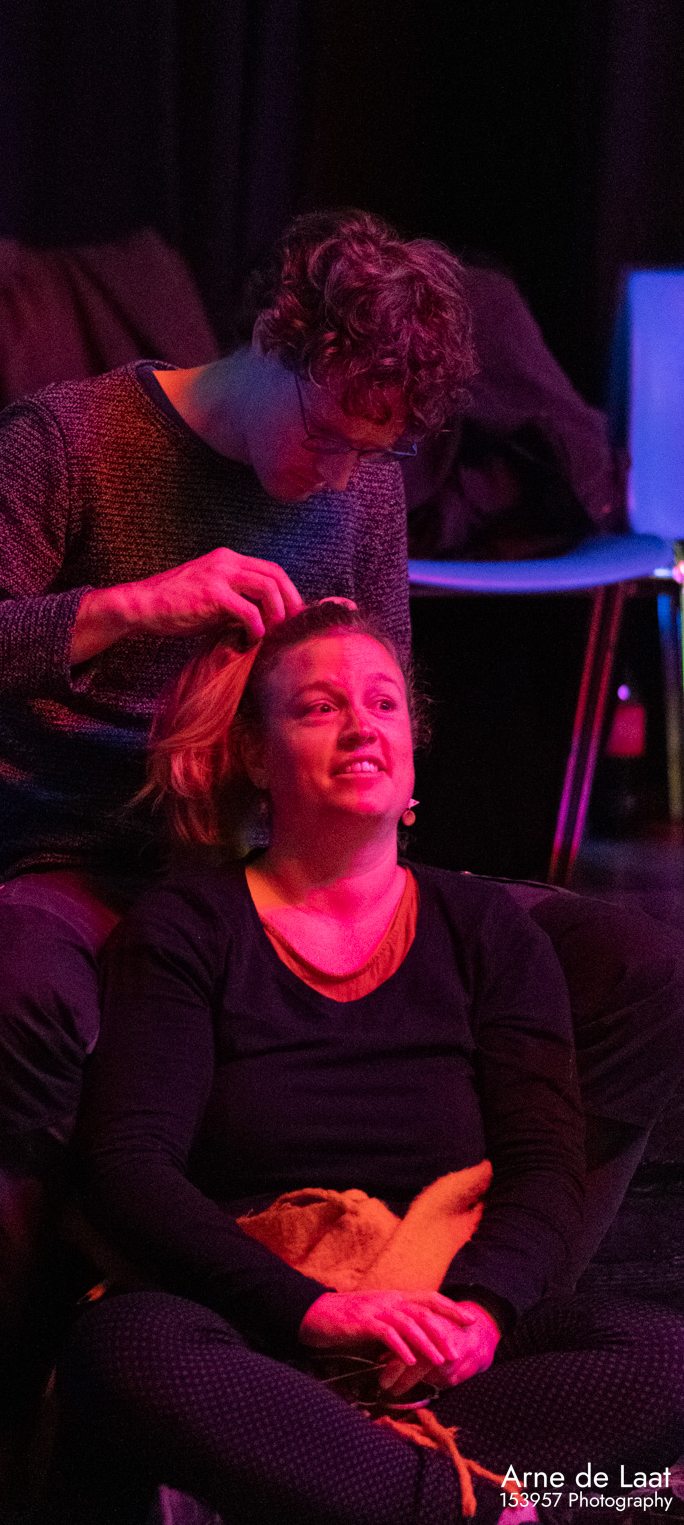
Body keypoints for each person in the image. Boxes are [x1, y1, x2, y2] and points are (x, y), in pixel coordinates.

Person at [0, 210, 478, 1395]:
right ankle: (1, 1394)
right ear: (277, 337)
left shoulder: (364, 487)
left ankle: (428, 1344)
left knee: (610, 971)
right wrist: (133, 606)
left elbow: (384, 683)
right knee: (3, 992)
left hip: (269, 868)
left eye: (368, 455)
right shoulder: (70, 440)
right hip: (81, 857)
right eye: (325, 436)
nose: (336, 476)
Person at [48, 602, 684, 1525]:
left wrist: (482, 1312)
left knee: (665, 1358)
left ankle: (351, 1485)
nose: (361, 726)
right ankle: (462, 1502)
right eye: (319, 707)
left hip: (436, 1332)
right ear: (256, 756)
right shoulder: (187, 930)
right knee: (127, 1346)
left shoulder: (487, 929)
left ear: (413, 752)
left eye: (384, 704)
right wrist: (313, 1310)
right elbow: (129, 1169)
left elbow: (546, 1164)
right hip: (259, 1328)